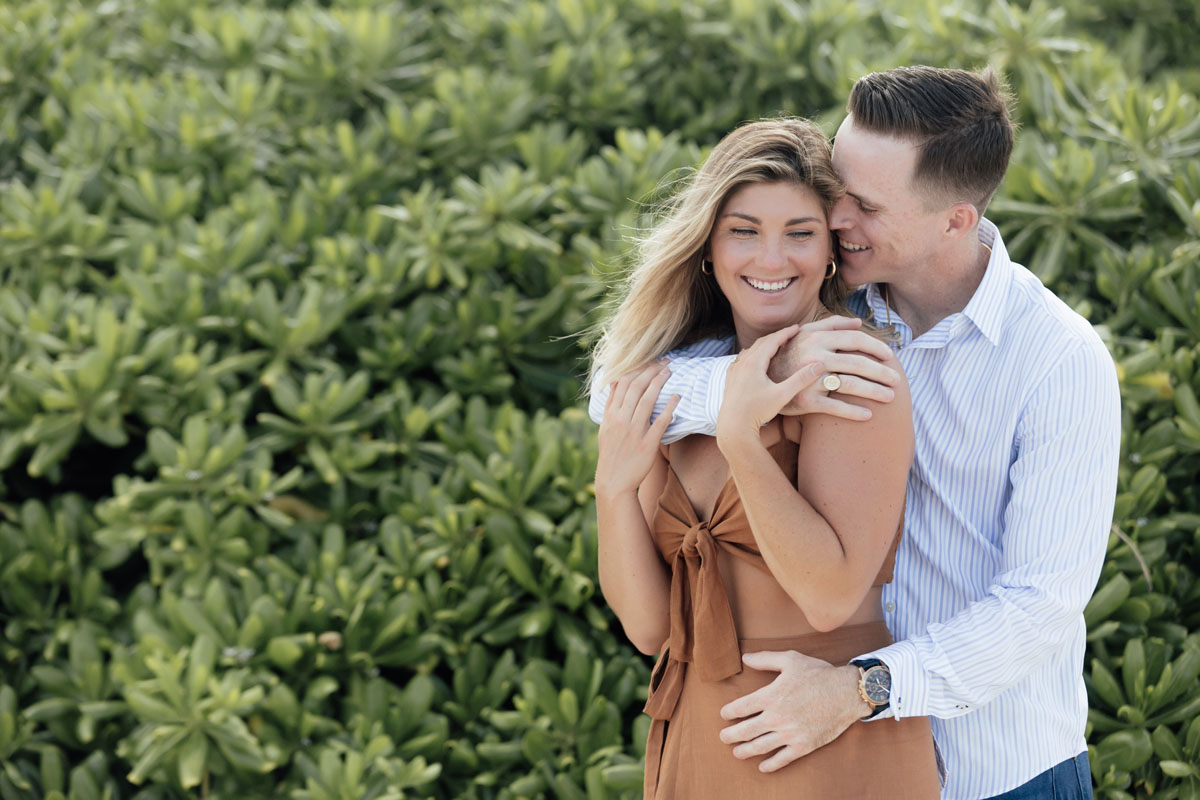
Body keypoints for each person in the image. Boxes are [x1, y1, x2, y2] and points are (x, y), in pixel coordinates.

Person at [595, 66, 1121, 799]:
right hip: (788, 728)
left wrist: (864, 688)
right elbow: (616, 390)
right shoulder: (833, 307)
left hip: (995, 766)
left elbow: (1040, 607)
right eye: (838, 190)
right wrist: (761, 377)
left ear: (955, 220)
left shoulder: (1059, 360)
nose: (838, 218)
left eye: (864, 206)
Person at [589, 118, 941, 798]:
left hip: (823, 738)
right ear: (708, 248)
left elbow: (830, 595)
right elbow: (650, 628)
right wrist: (612, 490)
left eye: (800, 234)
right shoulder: (676, 389)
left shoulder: (852, 371)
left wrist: (744, 440)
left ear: (831, 252)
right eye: (744, 231)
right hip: (700, 732)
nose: (772, 260)